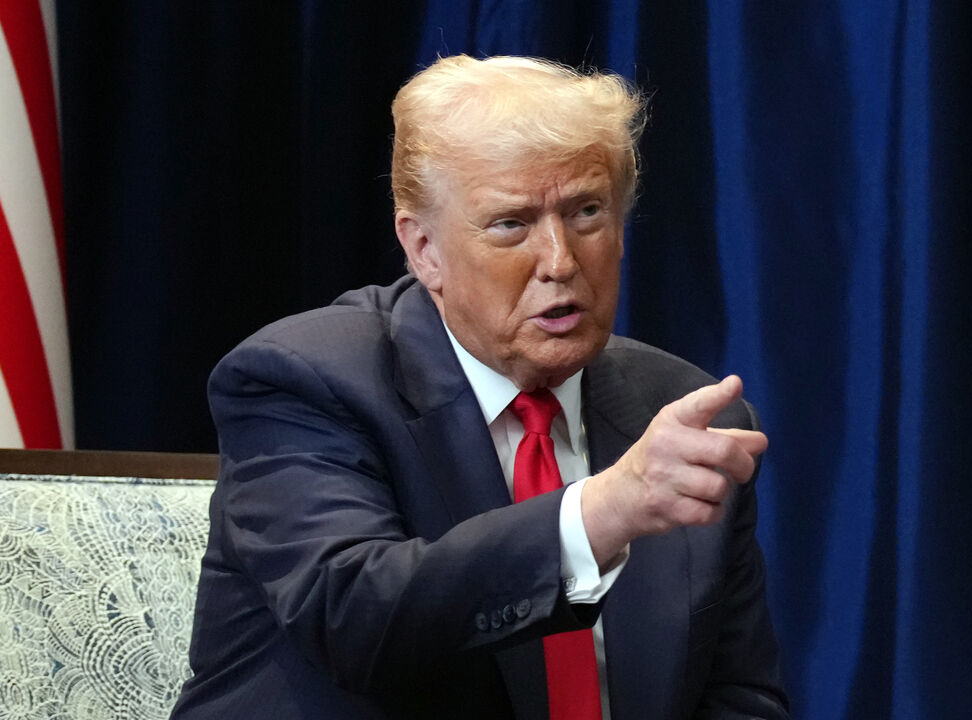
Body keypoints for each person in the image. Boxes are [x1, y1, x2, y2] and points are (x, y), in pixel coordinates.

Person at [171, 54, 787, 720]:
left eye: (586, 212)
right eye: (511, 224)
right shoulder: (302, 380)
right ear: (424, 249)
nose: (559, 261)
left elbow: (738, 698)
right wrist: (602, 512)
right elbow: (355, 616)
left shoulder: (676, 411)